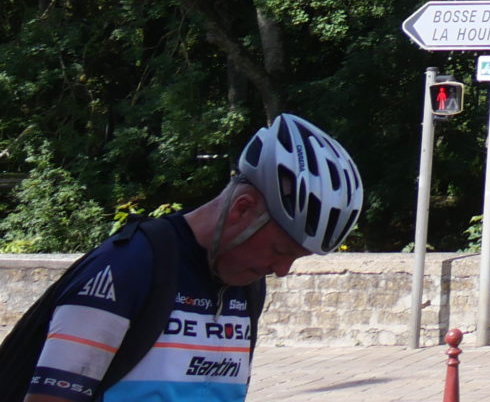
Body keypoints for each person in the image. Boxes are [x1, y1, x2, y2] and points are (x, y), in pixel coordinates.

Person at [0, 115, 364, 402]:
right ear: (242, 209)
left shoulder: (246, 287)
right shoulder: (127, 268)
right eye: (280, 251)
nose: (282, 271)